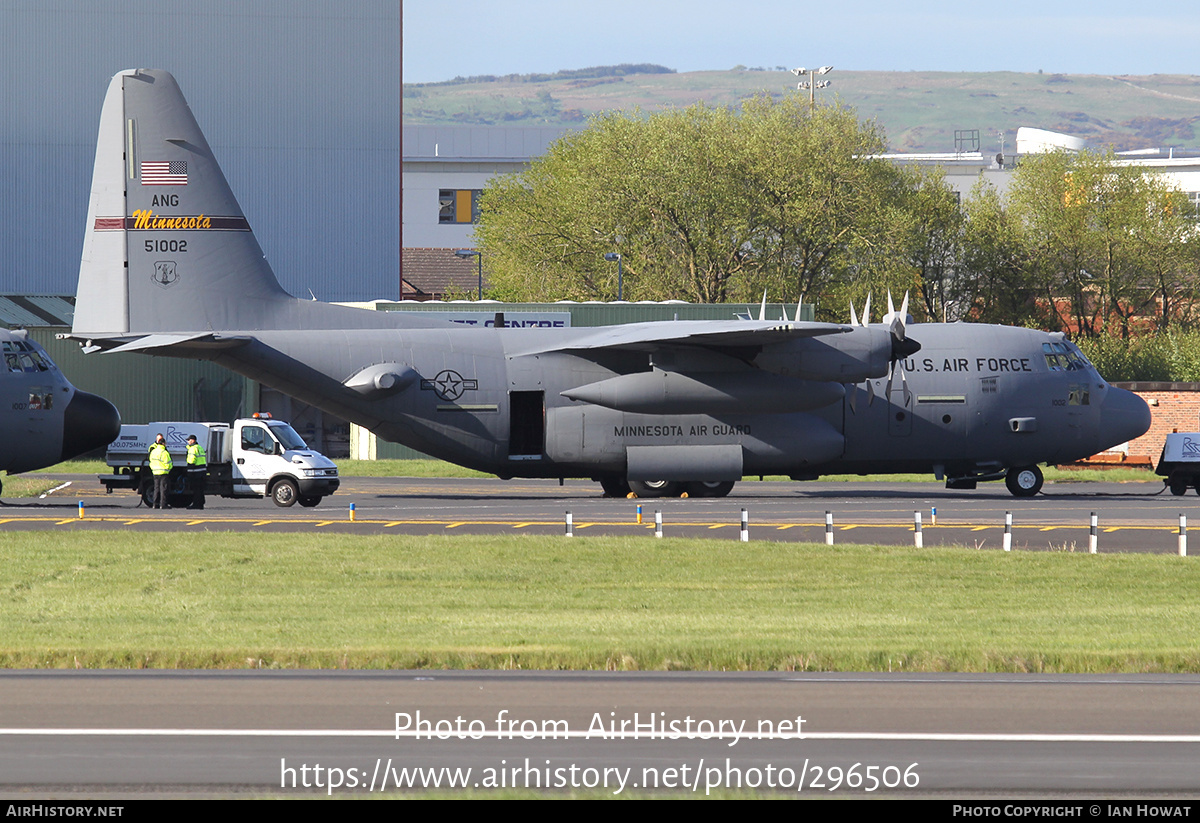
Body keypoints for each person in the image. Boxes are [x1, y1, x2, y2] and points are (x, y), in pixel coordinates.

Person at [148, 433, 173, 509]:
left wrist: (153, 469)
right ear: (163, 443)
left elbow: (150, 461)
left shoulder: (153, 451)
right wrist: (168, 469)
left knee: (156, 488)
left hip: (155, 472)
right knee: (163, 489)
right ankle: (163, 504)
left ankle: (155, 504)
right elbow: (169, 463)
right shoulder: (164, 452)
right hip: (163, 472)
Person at [185, 433, 207, 510]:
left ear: (193, 440)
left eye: (189, 440)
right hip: (202, 471)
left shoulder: (193, 449)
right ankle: (200, 504)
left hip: (196, 472)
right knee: (200, 489)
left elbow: (191, 461)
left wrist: (189, 472)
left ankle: (196, 504)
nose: (188, 441)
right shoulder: (200, 447)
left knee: (196, 489)